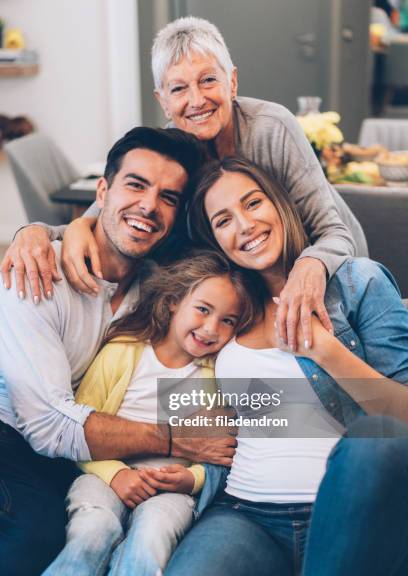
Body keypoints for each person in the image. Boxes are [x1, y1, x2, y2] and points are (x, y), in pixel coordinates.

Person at [1, 16, 368, 353]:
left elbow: (334, 231)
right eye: (179, 88)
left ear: (233, 81)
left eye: (209, 80)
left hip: (328, 264)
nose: (197, 100)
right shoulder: (170, 152)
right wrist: (35, 232)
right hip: (251, 285)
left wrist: (309, 268)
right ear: (163, 101)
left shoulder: (272, 127)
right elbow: (108, 223)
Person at [147, 157, 408, 576]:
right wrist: (46, 232)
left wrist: (325, 351)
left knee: (377, 440)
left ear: (282, 204)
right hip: (249, 516)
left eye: (253, 203)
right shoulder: (227, 300)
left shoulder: (358, 281)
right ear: (214, 239)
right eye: (224, 220)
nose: (244, 225)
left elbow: (402, 418)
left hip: (350, 514)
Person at [0, 127, 237, 576]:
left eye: (168, 197)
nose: (150, 205)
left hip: (65, 439)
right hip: (12, 426)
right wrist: (176, 440)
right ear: (102, 191)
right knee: (29, 557)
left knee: (73, 535)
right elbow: (48, 425)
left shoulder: (160, 288)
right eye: (135, 185)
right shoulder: (38, 274)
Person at [20, 251, 259, 576]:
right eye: (203, 310)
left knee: (151, 540)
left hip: (171, 489)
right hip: (103, 473)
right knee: (93, 531)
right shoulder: (123, 353)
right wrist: (116, 475)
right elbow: (79, 430)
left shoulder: (216, 377)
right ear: (174, 303)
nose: (211, 329)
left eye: (228, 320)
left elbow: (219, 453)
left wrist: (189, 480)